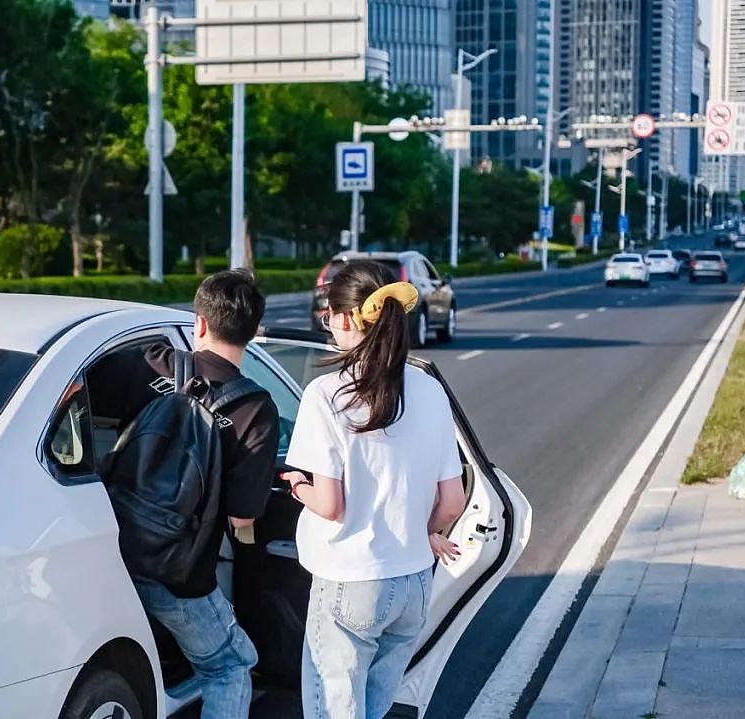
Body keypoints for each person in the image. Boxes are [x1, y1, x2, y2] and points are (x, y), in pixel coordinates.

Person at [88, 269, 280, 719]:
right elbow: (242, 517)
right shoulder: (255, 410)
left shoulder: (148, 362)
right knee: (232, 664)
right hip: (178, 575)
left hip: (110, 550)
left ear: (199, 323)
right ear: (252, 334)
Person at [281, 260, 466, 719]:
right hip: (413, 586)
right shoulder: (429, 389)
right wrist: (421, 534)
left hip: (349, 584)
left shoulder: (326, 394)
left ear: (344, 319)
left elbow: (330, 504)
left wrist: (298, 487)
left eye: (328, 317)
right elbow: (453, 501)